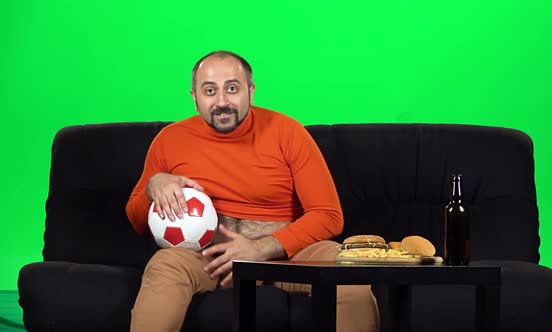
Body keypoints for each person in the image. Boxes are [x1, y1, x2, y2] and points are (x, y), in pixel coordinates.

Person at [125, 50, 379, 332]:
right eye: (210, 91)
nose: (222, 102)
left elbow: (329, 215)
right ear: (194, 97)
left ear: (251, 90)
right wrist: (153, 185)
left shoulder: (288, 132)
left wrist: (259, 248)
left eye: (232, 88)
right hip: (209, 262)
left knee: (344, 267)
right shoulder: (170, 140)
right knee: (165, 264)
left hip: (285, 260)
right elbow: (137, 221)